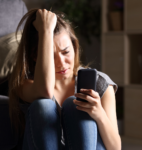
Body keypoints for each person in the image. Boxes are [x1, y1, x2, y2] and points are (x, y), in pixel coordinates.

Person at [9, 8, 121, 150]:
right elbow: (44, 91)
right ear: (35, 56)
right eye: (51, 55)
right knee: (42, 105)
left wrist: (99, 114)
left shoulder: (99, 83)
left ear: (74, 46)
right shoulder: (24, 84)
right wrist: (46, 31)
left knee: (74, 104)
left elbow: (115, 147)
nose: (61, 63)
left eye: (66, 52)